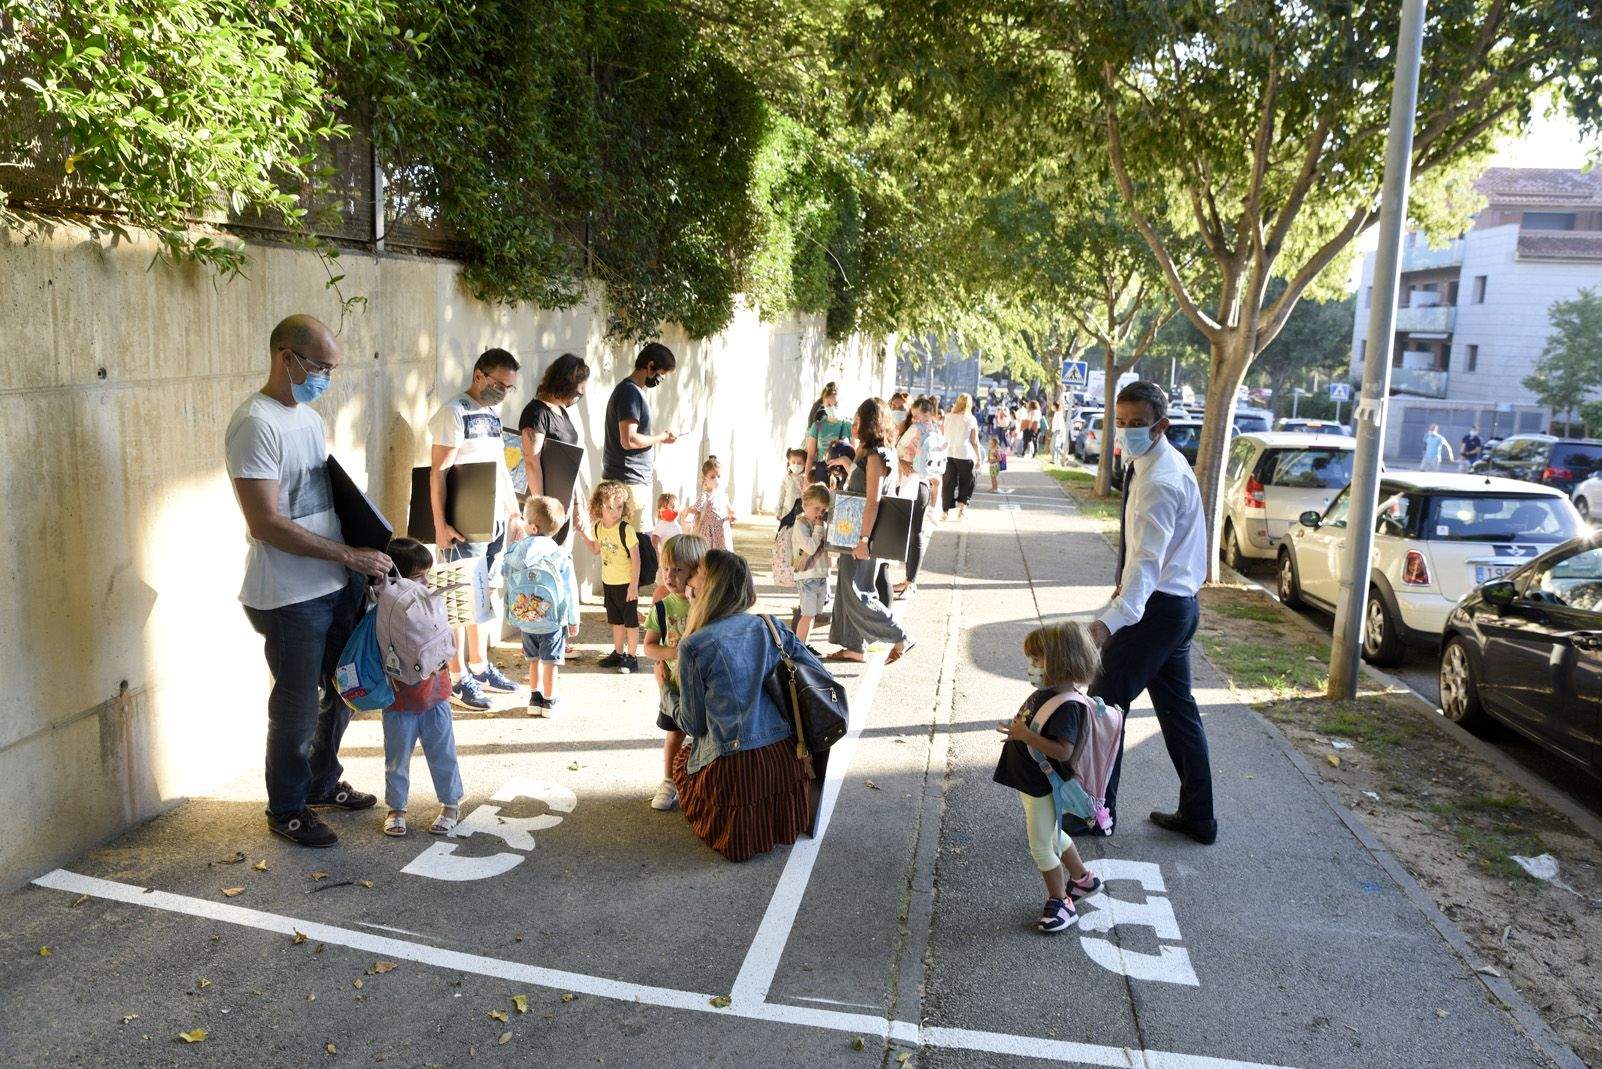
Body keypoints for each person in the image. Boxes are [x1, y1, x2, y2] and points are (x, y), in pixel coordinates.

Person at [227, 313, 389, 848]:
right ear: (286, 358)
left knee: (344, 689)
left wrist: (363, 559)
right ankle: (287, 808)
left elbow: (328, 503)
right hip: (289, 596)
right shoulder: (256, 423)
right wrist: (349, 556)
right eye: (320, 366)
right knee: (296, 708)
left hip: (336, 583)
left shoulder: (310, 421)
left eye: (332, 368)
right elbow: (265, 522)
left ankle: (321, 781)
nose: (326, 378)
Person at [1087, 381, 1214, 844]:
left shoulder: (1160, 481)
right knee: (1179, 714)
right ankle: (1198, 816)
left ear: (1161, 425)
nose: (1126, 431)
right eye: (1120, 422)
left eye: (1137, 423)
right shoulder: (1157, 463)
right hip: (1176, 607)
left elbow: (1146, 565)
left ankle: (1095, 813)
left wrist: (1108, 622)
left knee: (1103, 707)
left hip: (1156, 612)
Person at [671, 550, 825, 862]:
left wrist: (666, 692)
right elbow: (819, 673)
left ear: (710, 585)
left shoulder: (693, 645)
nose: (689, 580)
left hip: (734, 770)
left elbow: (693, 726)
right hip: (784, 761)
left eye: (696, 574)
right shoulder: (770, 626)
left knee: (682, 763)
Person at [993, 622, 1106, 933]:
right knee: (1054, 834)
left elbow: (1063, 751)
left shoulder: (1067, 706)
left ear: (1061, 662)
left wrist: (1025, 735)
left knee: (1042, 846)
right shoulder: (1049, 693)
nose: (1032, 666)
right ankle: (1082, 880)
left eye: (1037, 659)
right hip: (1032, 782)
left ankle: (1061, 902)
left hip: (1044, 786)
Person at [429, 347, 524, 712]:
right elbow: (438, 472)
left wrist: (514, 513)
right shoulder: (453, 412)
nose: (504, 391)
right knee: (457, 598)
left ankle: (480, 667)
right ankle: (456, 676)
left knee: (482, 595)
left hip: (493, 519)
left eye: (509, 386)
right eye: (499, 384)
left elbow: (501, 466)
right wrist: (440, 524)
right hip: (463, 522)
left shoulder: (491, 414)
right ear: (479, 375)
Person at [379, 537, 464, 838]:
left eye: (427, 575)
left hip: (435, 696)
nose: (427, 583)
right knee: (396, 758)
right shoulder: (384, 605)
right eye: (419, 576)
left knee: (442, 753)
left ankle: (451, 804)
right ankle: (396, 808)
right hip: (398, 700)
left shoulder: (430, 604)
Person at [826, 398, 912, 664]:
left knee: (858, 592)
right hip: (855, 531)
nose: (854, 425)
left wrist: (863, 540)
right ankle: (854, 647)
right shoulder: (872, 452)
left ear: (870, 423)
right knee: (848, 589)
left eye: (858, 420)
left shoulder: (877, 456)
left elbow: (872, 501)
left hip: (863, 534)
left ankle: (899, 635)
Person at [603, 343, 679, 590]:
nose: (659, 380)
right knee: (628, 551)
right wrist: (661, 437)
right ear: (650, 366)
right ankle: (625, 601)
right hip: (628, 479)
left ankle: (627, 599)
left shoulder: (633, 392)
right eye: (660, 374)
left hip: (632, 479)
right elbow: (629, 439)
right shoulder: (630, 393)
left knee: (630, 549)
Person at [643, 533, 710, 812]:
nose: (669, 576)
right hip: (673, 685)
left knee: (706, 736)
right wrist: (673, 654)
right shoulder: (662, 608)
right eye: (665, 568)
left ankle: (702, 783)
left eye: (678, 570)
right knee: (674, 734)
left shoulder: (707, 605)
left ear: (696, 572)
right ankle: (669, 781)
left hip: (706, 685)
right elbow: (649, 647)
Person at [505, 495, 581, 717]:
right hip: (552, 621)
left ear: (533, 527)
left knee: (533, 661)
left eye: (526, 520)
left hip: (525, 618)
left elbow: (506, 573)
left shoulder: (517, 550)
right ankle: (549, 702)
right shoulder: (559, 554)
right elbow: (570, 589)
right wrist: (573, 620)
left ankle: (534, 699)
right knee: (550, 663)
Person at [518, 352, 591, 547]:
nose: (578, 398)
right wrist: (542, 510)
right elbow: (532, 461)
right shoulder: (536, 413)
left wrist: (578, 504)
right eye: (578, 393)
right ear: (565, 385)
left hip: (563, 506)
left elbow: (570, 461)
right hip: (545, 512)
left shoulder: (561, 411)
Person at [582, 480, 641, 673]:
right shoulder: (598, 528)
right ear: (599, 507)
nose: (615, 512)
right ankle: (618, 652)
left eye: (619, 507)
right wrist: (582, 533)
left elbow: (636, 559)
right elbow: (595, 549)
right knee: (616, 621)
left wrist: (633, 585)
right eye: (609, 507)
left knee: (630, 623)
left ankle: (632, 657)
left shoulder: (626, 530)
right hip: (609, 583)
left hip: (626, 584)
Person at [894, 397, 947, 599]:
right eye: (914, 415)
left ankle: (909, 582)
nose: (915, 418)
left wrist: (900, 461)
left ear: (927, 414)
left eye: (917, 415)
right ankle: (910, 580)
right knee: (916, 532)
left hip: (910, 482)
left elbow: (897, 449)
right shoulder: (936, 430)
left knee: (911, 533)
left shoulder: (915, 429)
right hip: (924, 484)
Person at [792, 483, 833, 642]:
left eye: (823, 510)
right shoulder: (800, 524)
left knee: (813, 615)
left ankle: (804, 645)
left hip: (820, 574)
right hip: (807, 576)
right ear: (805, 504)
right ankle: (799, 647)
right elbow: (810, 548)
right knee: (807, 614)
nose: (820, 513)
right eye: (816, 508)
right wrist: (818, 529)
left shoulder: (821, 525)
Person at [805, 383, 854, 484]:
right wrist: (807, 481)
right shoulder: (817, 425)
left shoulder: (848, 426)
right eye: (828, 405)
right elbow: (810, 456)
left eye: (836, 405)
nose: (832, 408)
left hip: (842, 474)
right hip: (822, 473)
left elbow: (856, 456)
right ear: (823, 404)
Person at [685, 455, 736, 551]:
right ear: (705, 479)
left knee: (724, 555)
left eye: (718, 476)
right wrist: (689, 521)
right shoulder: (705, 496)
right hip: (709, 534)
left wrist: (732, 516)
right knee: (710, 555)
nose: (716, 479)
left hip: (722, 531)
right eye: (712, 477)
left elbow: (729, 510)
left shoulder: (723, 496)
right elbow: (695, 510)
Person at [942, 393, 981, 518]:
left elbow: (943, 434)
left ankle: (945, 511)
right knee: (967, 481)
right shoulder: (971, 419)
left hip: (948, 454)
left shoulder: (947, 417)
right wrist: (979, 458)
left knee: (948, 483)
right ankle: (962, 509)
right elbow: (974, 441)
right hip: (964, 454)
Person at [652, 492, 686, 559]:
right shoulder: (660, 526)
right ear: (659, 510)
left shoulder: (677, 524)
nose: (669, 510)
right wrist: (658, 556)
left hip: (678, 557)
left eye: (673, 507)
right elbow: (654, 543)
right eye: (665, 507)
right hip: (666, 558)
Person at [778, 447, 809, 517]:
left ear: (805, 464)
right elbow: (781, 495)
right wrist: (779, 510)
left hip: (801, 513)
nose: (796, 465)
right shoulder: (787, 479)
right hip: (786, 510)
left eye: (799, 463)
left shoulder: (806, 479)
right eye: (793, 462)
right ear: (789, 463)